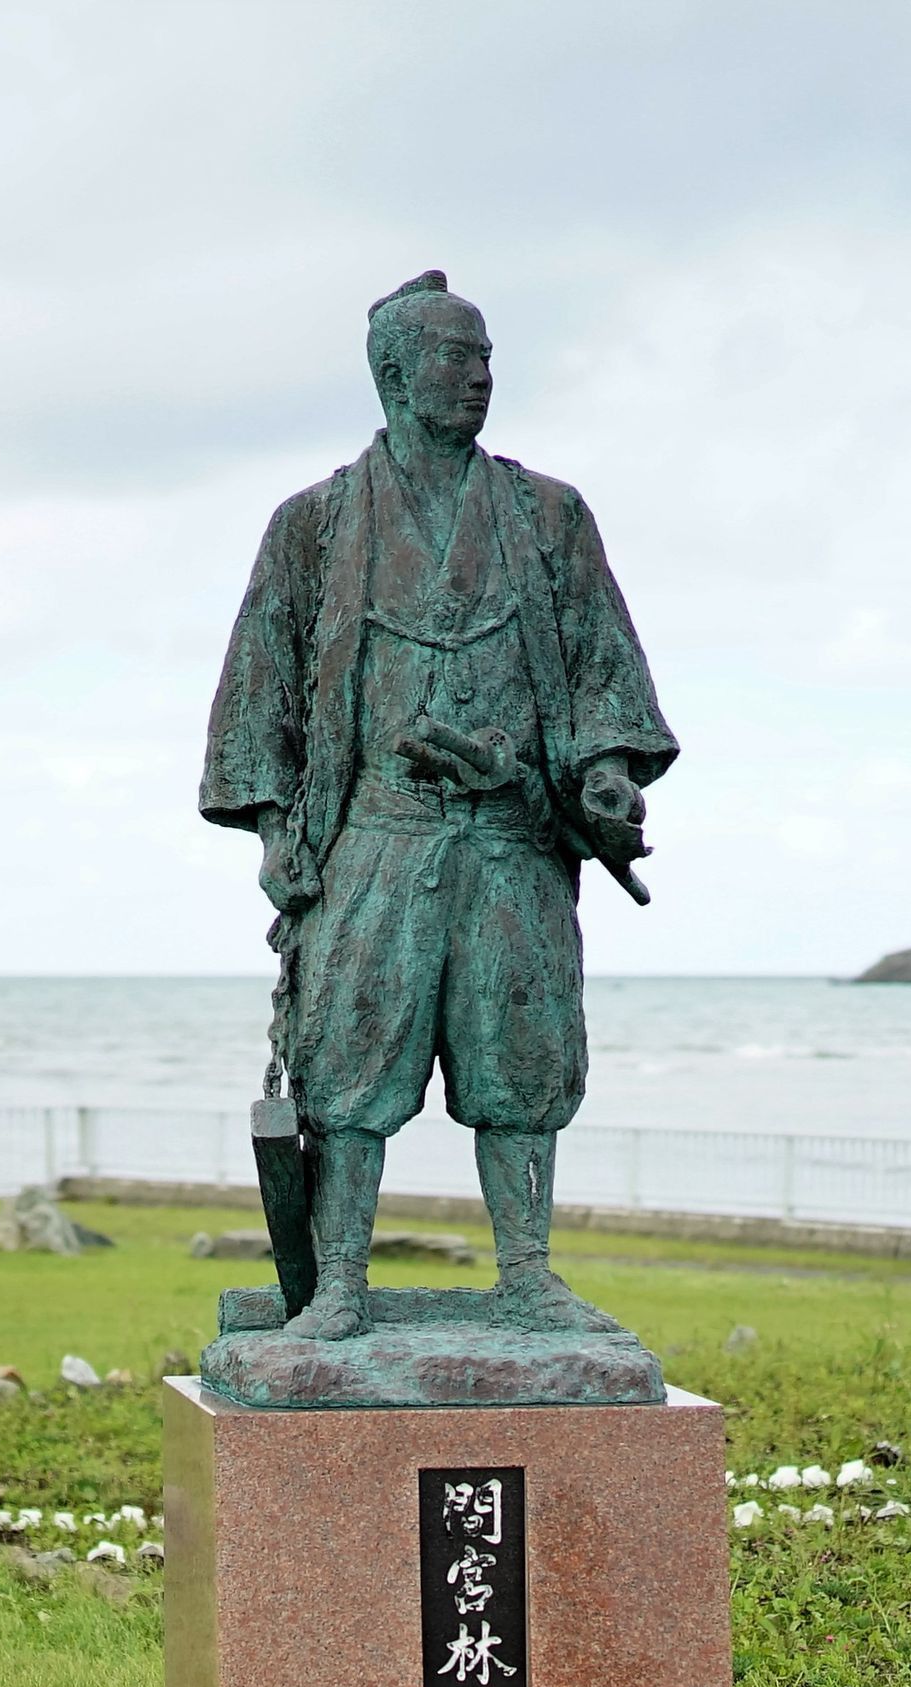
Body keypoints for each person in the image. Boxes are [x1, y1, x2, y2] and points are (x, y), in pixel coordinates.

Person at [197, 271, 678, 1340]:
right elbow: (258, 693)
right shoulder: (315, 524)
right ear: (394, 373)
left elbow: (602, 665)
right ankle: (340, 1281)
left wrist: (606, 772)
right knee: (348, 1062)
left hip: (514, 833)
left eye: (487, 357)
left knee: (523, 1055)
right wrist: (275, 831)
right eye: (458, 357)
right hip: (375, 837)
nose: (480, 377)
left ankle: (526, 1273)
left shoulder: (548, 515)